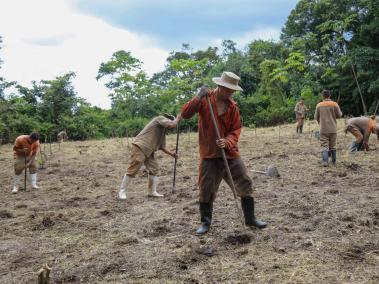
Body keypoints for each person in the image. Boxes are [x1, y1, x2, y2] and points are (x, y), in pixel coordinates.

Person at [178, 71, 267, 235]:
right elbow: (185, 114)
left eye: (233, 90)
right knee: (206, 188)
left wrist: (227, 142)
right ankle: (205, 223)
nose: (231, 93)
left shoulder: (233, 107)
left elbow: (236, 130)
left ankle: (250, 218)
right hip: (209, 155)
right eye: (228, 89)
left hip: (230, 154)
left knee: (245, 182)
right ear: (220, 86)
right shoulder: (205, 100)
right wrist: (198, 96)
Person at [117, 114, 180, 200]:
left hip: (150, 150)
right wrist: (178, 118)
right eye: (171, 122)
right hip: (140, 145)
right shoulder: (160, 119)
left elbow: (162, 147)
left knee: (154, 168)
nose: (171, 127)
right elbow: (171, 124)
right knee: (135, 166)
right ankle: (122, 190)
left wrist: (172, 154)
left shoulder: (163, 132)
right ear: (168, 119)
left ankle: (152, 192)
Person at [315, 90, 343, 166]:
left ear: (322, 96)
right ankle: (334, 161)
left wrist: (320, 122)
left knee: (324, 145)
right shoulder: (335, 104)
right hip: (333, 128)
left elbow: (316, 117)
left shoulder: (319, 105)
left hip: (323, 129)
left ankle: (325, 161)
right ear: (329, 95)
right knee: (332, 145)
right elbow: (340, 115)